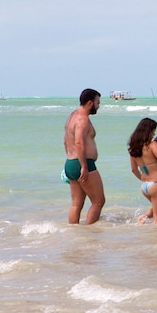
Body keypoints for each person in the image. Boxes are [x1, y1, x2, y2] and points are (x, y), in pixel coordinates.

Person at [63, 88, 105, 225]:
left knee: (76, 204)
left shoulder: (72, 116)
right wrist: (83, 167)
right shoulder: (83, 120)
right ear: (90, 103)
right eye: (97, 102)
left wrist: (72, 159)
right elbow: (79, 142)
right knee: (98, 201)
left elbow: (65, 141)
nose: (98, 106)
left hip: (70, 162)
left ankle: (75, 233)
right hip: (83, 163)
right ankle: (89, 233)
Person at [128, 118, 157, 225]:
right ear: (148, 131)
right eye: (153, 131)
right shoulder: (152, 145)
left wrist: (145, 180)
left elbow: (134, 169)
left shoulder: (133, 147)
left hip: (145, 185)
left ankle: (143, 218)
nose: (154, 134)